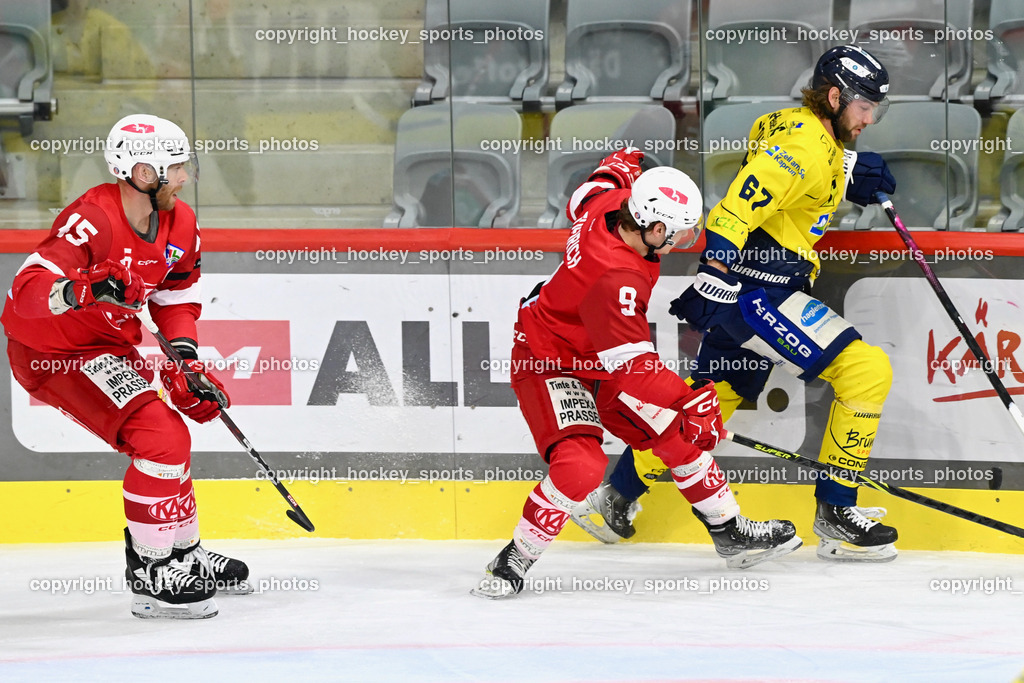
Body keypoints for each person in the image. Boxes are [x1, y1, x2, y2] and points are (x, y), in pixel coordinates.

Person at [571, 45, 900, 563]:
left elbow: (788, 170)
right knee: (866, 372)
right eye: (863, 107)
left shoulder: (791, 127)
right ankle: (837, 514)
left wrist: (845, 165)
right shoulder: (804, 147)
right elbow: (733, 212)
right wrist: (715, 277)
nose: (869, 120)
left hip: (747, 294)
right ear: (835, 97)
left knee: (708, 401)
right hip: (759, 294)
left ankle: (613, 498)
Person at [471, 150, 802, 599]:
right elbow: (633, 372)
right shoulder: (616, 276)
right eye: (680, 234)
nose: (684, 241)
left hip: (597, 354)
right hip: (551, 362)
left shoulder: (611, 203)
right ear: (656, 228)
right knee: (582, 465)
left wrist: (633, 160)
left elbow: (595, 184)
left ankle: (730, 531)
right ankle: (515, 557)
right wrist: (692, 401)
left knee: (677, 434)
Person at [2, 114, 248, 618]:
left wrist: (184, 360)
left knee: (171, 438)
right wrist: (85, 289)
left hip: (108, 349)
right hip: (55, 354)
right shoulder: (91, 219)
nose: (184, 178)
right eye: (175, 168)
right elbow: (24, 293)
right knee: (160, 437)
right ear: (141, 172)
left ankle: (184, 553)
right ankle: (151, 569)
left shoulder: (181, 223)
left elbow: (176, 297)